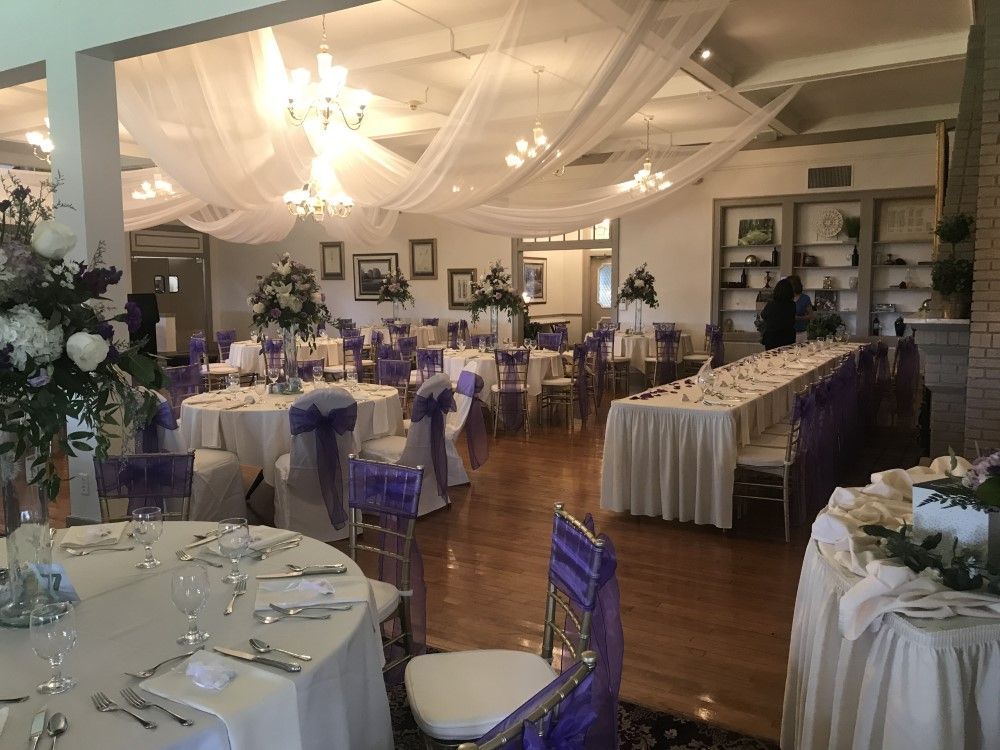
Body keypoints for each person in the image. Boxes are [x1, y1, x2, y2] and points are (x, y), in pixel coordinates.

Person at [759, 278, 796, 350]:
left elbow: (763, 315)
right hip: (788, 337)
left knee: (771, 359)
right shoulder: (792, 305)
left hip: (772, 338)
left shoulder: (771, 304)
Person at [789, 275, 813, 343]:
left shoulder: (805, 298)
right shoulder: (786, 298)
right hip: (786, 332)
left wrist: (798, 318)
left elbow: (811, 316)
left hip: (800, 333)